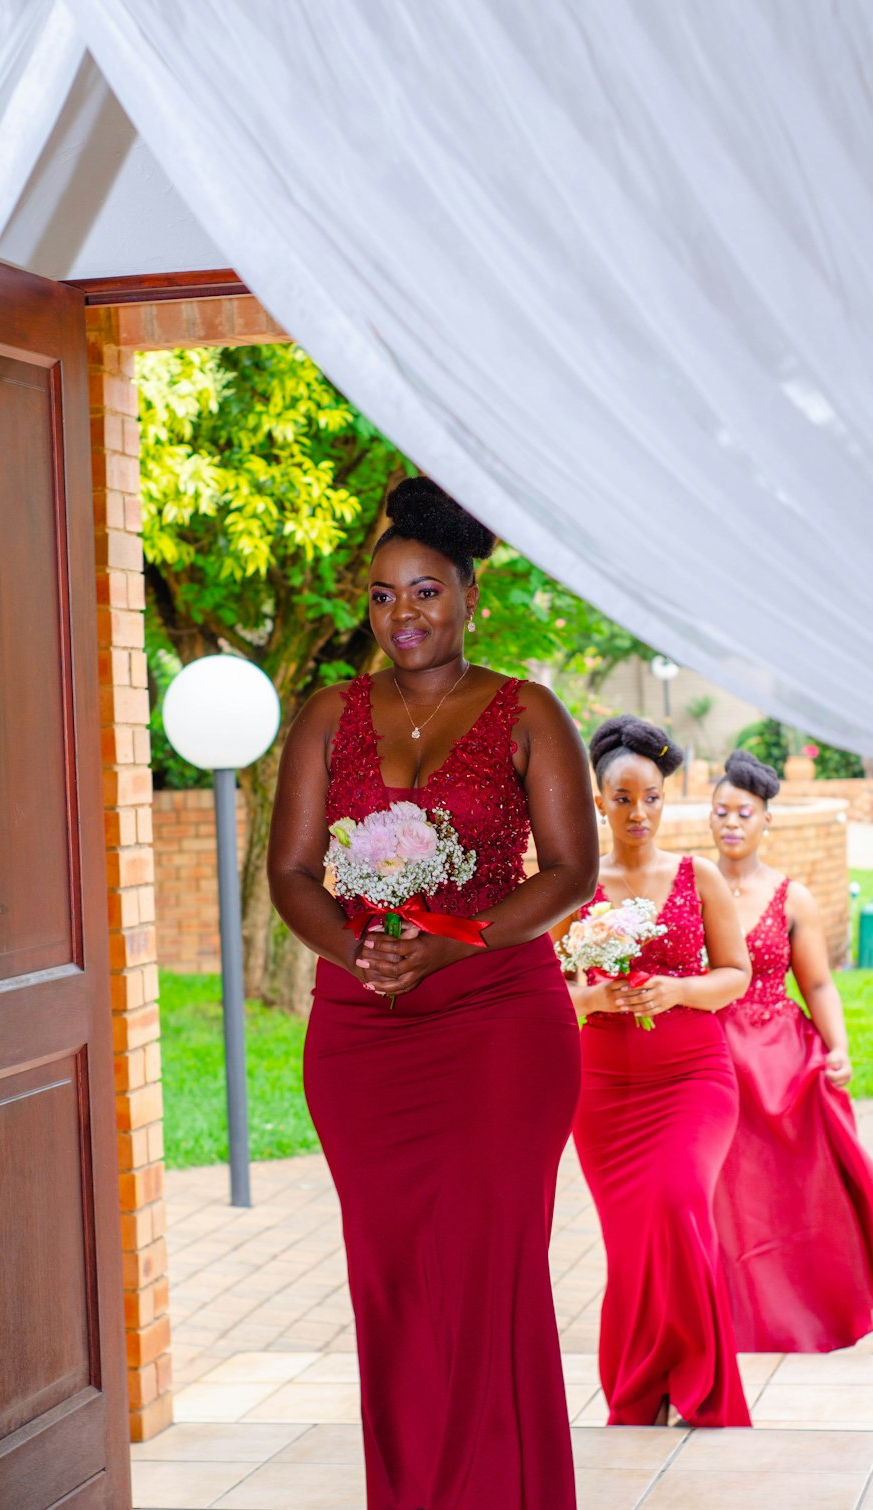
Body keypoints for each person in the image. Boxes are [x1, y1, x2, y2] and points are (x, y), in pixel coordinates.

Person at [267, 477, 598, 1510]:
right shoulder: (328, 714)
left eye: (423, 592)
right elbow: (291, 871)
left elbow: (569, 870)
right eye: (380, 595)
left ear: (467, 599)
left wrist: (448, 947)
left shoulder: (526, 710)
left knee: (488, 1272)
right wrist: (358, 957)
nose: (400, 614)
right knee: (395, 1281)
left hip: (500, 1021)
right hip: (363, 1038)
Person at [566, 715, 752, 1428]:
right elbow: (535, 988)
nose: (638, 812)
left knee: (677, 1206)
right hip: (604, 1091)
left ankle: (700, 1382)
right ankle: (641, 1386)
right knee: (631, 1242)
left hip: (693, 1079)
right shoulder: (575, 883)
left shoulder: (696, 875)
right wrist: (592, 995)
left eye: (651, 798)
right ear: (598, 802)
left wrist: (677, 990)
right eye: (623, 799)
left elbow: (735, 974)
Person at [710, 749, 873, 1351]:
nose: (732, 822)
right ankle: (728, 1313)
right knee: (724, 1193)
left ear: (768, 820)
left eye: (745, 812)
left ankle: (805, 1306)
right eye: (722, 812)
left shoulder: (793, 899)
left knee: (792, 1188)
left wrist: (838, 1047)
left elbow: (816, 983)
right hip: (709, 1059)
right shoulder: (687, 886)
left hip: (782, 1058)